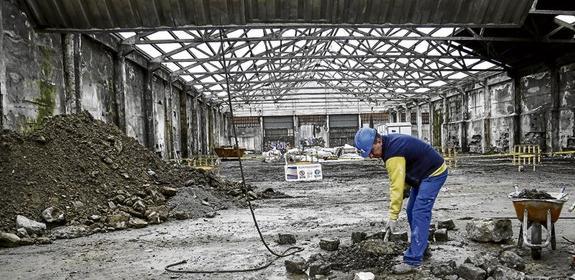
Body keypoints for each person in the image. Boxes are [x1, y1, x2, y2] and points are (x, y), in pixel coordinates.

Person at [354, 127, 448, 274]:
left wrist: (393, 216)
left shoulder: (393, 153)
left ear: (378, 141)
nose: (371, 156)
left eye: (371, 151)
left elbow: (395, 186)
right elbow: (404, 172)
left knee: (419, 212)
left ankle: (413, 261)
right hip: (421, 174)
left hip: (433, 173)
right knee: (411, 210)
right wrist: (406, 189)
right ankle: (421, 246)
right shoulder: (389, 145)